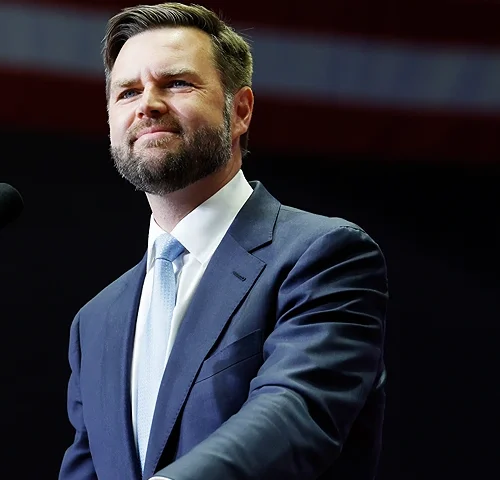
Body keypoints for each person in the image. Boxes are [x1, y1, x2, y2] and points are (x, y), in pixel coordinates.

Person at [59, 3, 389, 479]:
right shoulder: (95, 323)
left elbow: (296, 413)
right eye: (127, 91)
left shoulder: (323, 256)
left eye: (176, 83)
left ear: (240, 111)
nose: (147, 104)